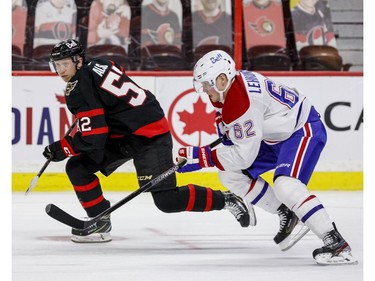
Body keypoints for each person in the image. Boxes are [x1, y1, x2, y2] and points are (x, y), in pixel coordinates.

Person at [43, 39, 254, 243]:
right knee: (78, 167)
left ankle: (227, 199)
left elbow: (94, 137)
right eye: (57, 65)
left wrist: (63, 147)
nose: (61, 70)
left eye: (65, 64)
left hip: (149, 136)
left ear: (79, 60)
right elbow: (104, 112)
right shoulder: (102, 63)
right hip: (125, 133)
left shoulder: (79, 87)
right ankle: (100, 221)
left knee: (166, 201)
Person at [177, 49, 358, 265]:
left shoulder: (239, 100)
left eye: (206, 84)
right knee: (230, 176)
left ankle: (336, 243)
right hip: (275, 137)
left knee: (286, 186)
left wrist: (199, 157)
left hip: (301, 130)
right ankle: (286, 212)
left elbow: (244, 155)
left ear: (222, 79)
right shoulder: (232, 89)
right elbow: (237, 139)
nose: (205, 90)